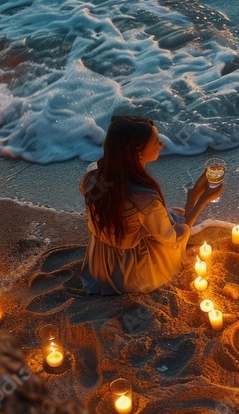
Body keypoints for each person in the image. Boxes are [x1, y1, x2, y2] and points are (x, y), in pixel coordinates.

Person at [79, 115, 223, 294]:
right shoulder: (144, 198)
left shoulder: (94, 176)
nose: (161, 145)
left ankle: (190, 199)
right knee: (178, 225)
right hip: (129, 273)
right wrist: (202, 198)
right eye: (156, 142)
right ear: (138, 150)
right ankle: (193, 197)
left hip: (101, 259)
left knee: (173, 214)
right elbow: (172, 239)